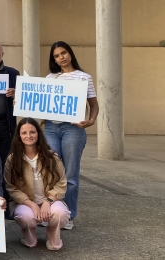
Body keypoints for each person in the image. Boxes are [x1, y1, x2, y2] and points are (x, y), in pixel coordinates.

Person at [42, 41, 99, 230]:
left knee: (71, 174)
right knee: (51, 171)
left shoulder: (84, 78)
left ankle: (68, 215)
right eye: (57, 56)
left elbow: (94, 104)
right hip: (51, 128)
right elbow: (45, 102)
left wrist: (90, 121)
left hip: (73, 129)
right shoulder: (51, 78)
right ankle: (47, 212)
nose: (61, 57)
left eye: (63, 53)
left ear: (70, 53)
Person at [5, 118, 69, 250]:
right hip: (26, 203)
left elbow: (62, 183)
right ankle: (29, 235)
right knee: (25, 216)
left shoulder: (51, 157)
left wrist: (48, 201)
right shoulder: (12, 160)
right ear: (19, 136)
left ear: (38, 134)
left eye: (32, 132)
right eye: (24, 133)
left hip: (49, 200)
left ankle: (52, 234)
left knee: (61, 213)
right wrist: (32, 204)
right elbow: (11, 187)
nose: (28, 136)